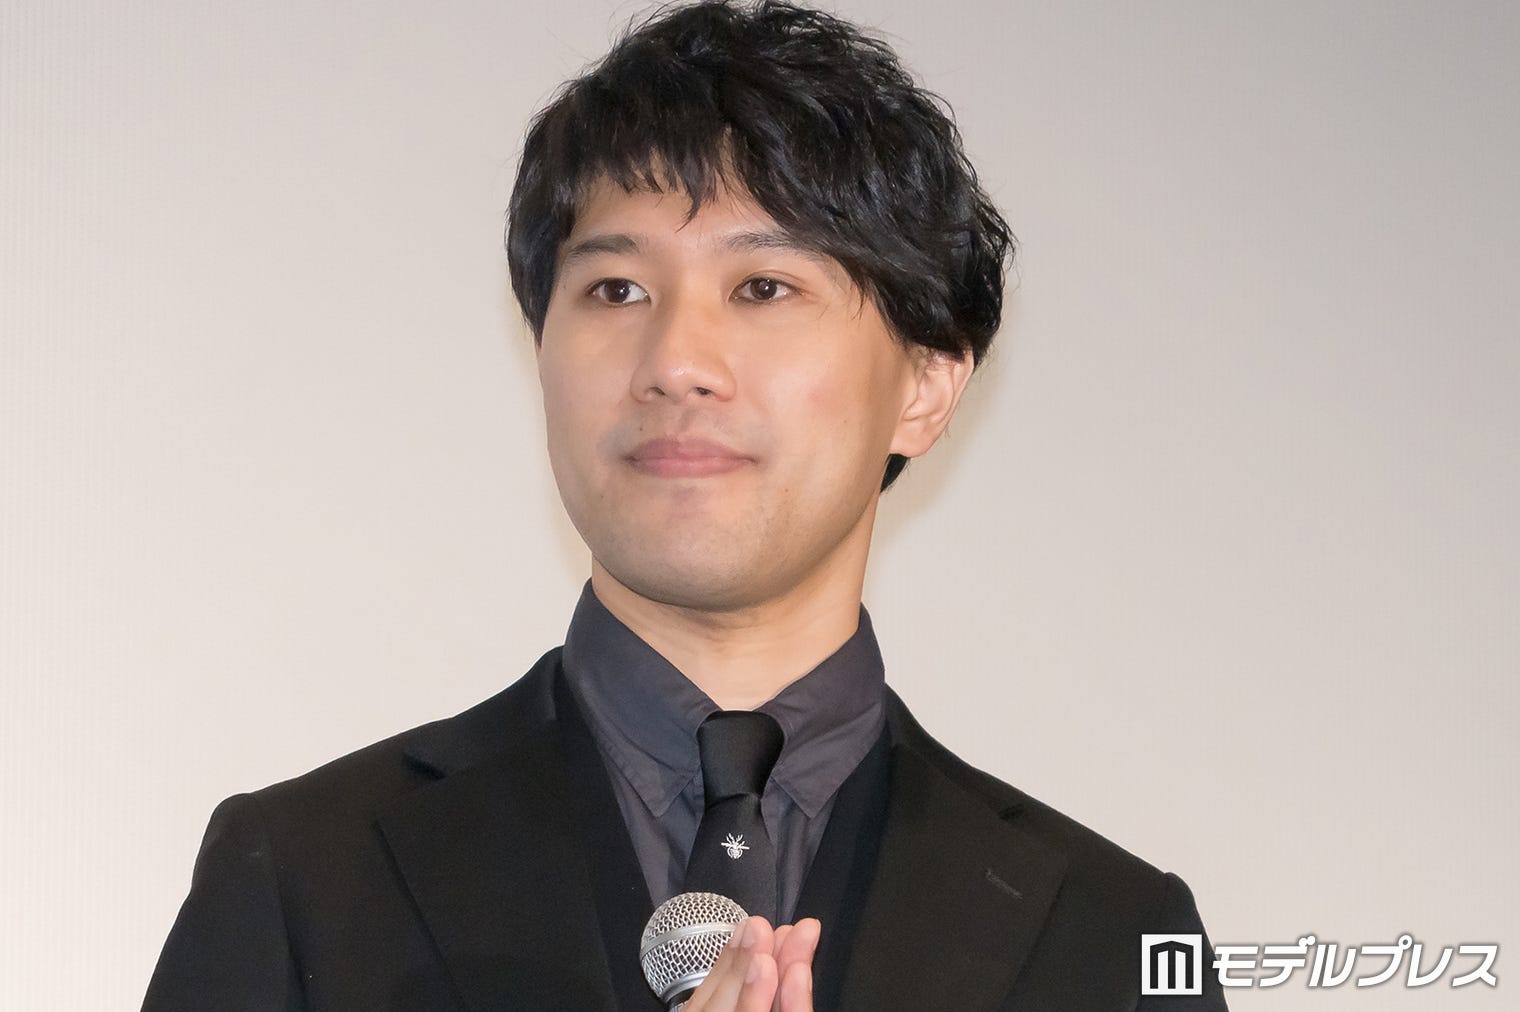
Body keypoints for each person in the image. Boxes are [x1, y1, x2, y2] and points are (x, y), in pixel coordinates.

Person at [145, 2, 1227, 1009]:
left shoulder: (1109, 936)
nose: (675, 362)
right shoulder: (300, 883)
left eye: (763, 288)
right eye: (615, 289)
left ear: (924, 385)